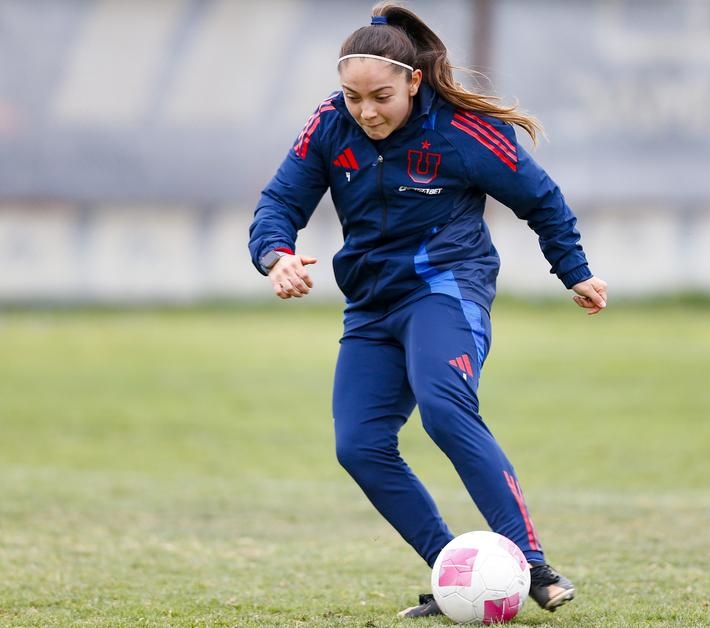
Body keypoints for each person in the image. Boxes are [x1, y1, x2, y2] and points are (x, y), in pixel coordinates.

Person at [247, 2, 607, 619]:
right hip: (371, 305)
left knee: (444, 409)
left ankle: (532, 564)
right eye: (353, 97)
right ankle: (459, 573)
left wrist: (574, 270)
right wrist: (275, 255)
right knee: (359, 446)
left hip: (446, 288)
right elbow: (279, 200)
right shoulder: (330, 123)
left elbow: (541, 199)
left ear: (413, 81)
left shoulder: (461, 132)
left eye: (381, 97)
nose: (366, 112)